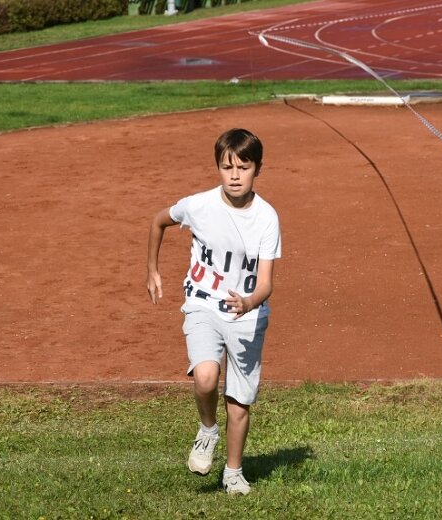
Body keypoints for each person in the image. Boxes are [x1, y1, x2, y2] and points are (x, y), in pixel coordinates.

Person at [146, 128, 281, 495]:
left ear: (258, 169)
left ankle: (233, 472)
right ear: (218, 168)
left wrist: (250, 302)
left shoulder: (267, 218)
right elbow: (159, 221)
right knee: (205, 377)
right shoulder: (198, 205)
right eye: (227, 167)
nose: (235, 175)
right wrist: (152, 270)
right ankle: (207, 430)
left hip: (247, 316)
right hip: (203, 303)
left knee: (239, 404)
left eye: (243, 167)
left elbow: (266, 282)